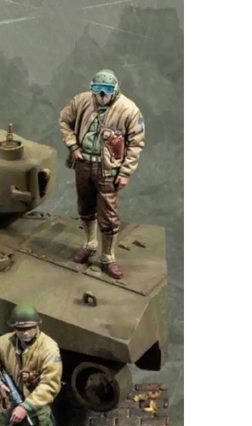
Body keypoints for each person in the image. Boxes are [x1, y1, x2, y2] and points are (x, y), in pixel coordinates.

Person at [58, 69, 145, 279]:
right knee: (85, 206)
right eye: (97, 89)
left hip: (108, 170)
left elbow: (136, 143)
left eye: (107, 90)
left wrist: (125, 172)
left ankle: (108, 257)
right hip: (83, 163)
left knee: (109, 215)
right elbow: (64, 121)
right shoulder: (81, 101)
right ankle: (90, 243)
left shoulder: (129, 110)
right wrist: (73, 146)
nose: (102, 94)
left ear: (115, 90)